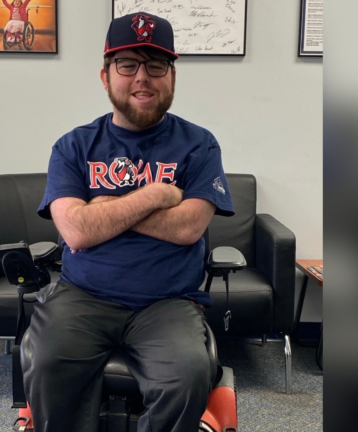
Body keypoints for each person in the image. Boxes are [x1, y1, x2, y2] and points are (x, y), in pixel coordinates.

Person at [24, 13, 234, 432]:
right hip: (82, 296)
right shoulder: (73, 146)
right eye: (128, 65)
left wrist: (103, 207)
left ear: (172, 78)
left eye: (156, 66)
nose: (143, 77)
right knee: (46, 364)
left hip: (168, 302)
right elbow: (76, 231)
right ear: (105, 76)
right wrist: (157, 195)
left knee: (188, 375)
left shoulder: (199, 144)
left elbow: (188, 227)